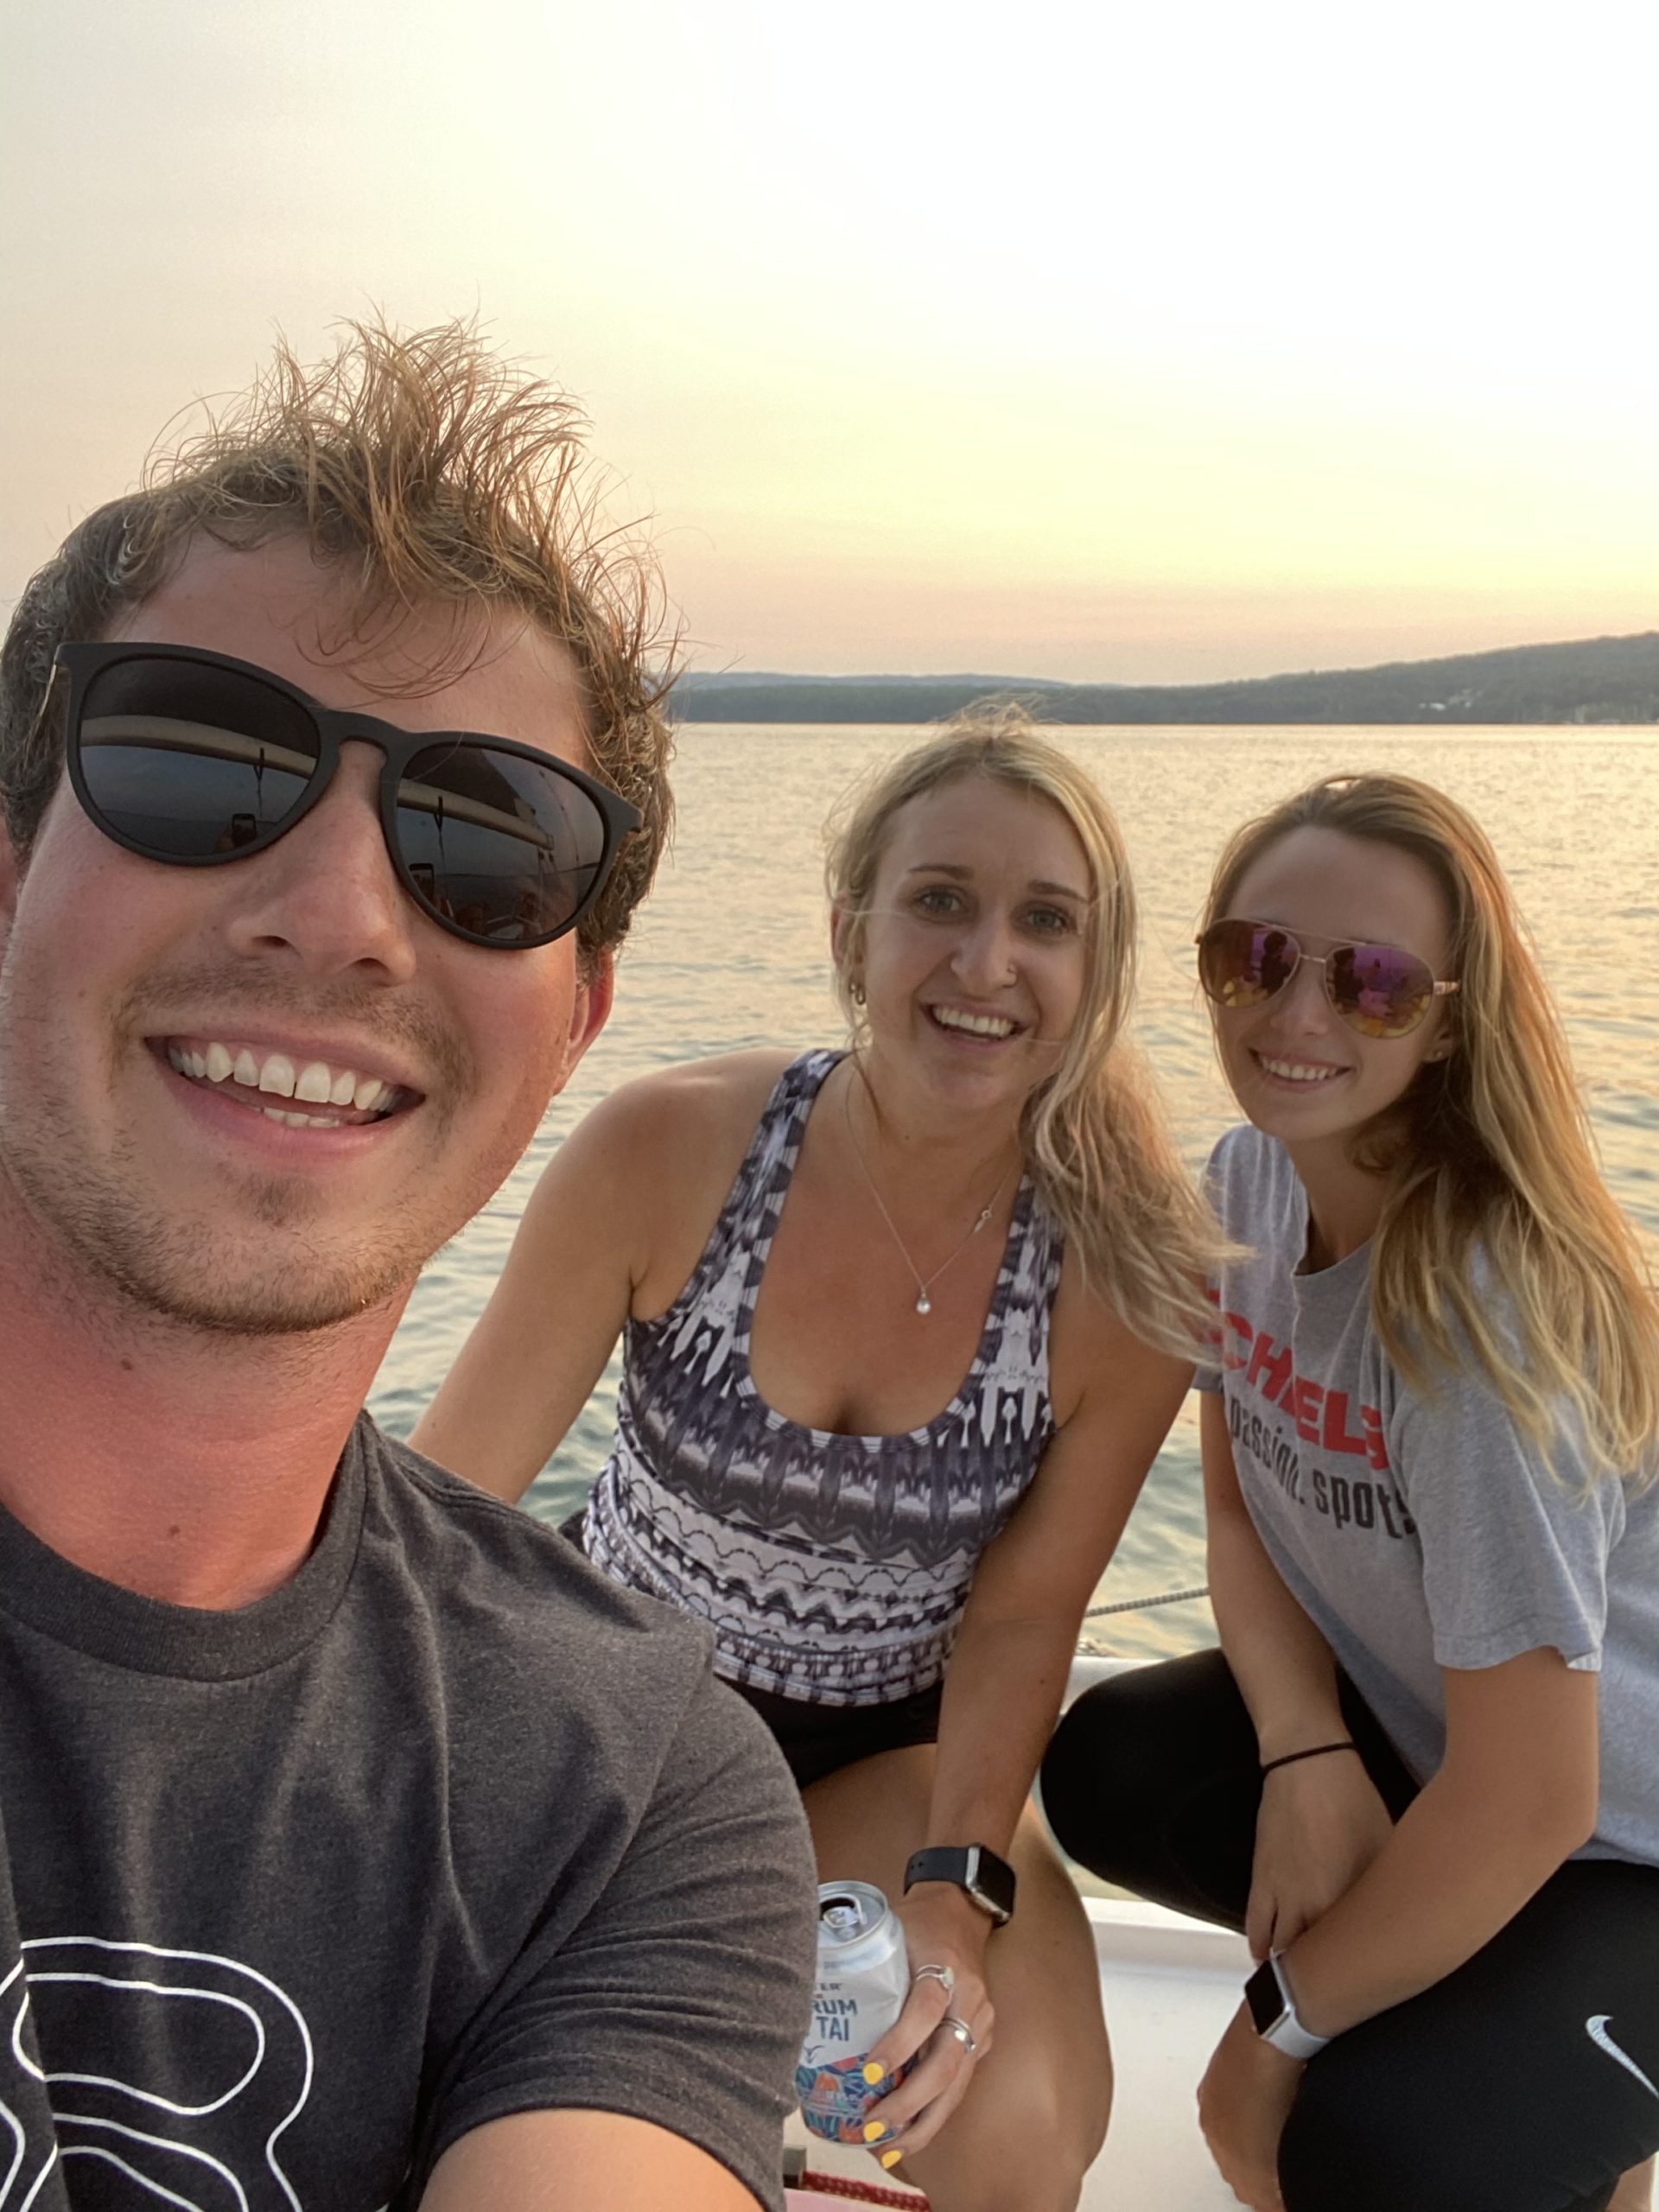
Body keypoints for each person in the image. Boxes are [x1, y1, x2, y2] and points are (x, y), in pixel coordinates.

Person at [0, 321, 817, 2211]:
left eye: (486, 840)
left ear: (575, 1016)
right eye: (203, 761)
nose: (344, 916)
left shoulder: (628, 1795)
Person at [413, 709, 1217, 2211]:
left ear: (1095, 975)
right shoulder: (666, 1151)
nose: (986, 963)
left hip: (890, 1755)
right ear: (851, 926)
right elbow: (449, 1510)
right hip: (618, 1714)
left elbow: (1026, 1619)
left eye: (1046, 921)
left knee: (1020, 2120)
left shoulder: (1121, 1276)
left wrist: (958, 1900)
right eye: (940, 901)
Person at [1041, 772, 1659, 2212]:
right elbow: (1245, 1500)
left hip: (1619, 1837)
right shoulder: (1249, 1188)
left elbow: (1535, 1796)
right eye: (1252, 958)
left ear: (1446, 1020)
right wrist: (1307, 1752)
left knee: (1361, 2151)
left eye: (1371, 983)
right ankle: (1523, 2064)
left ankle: (1567, 2098)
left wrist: (1279, 2030)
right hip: (1449, 1753)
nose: (1295, 1015)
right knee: (1111, 1768)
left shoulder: (1475, 1328)